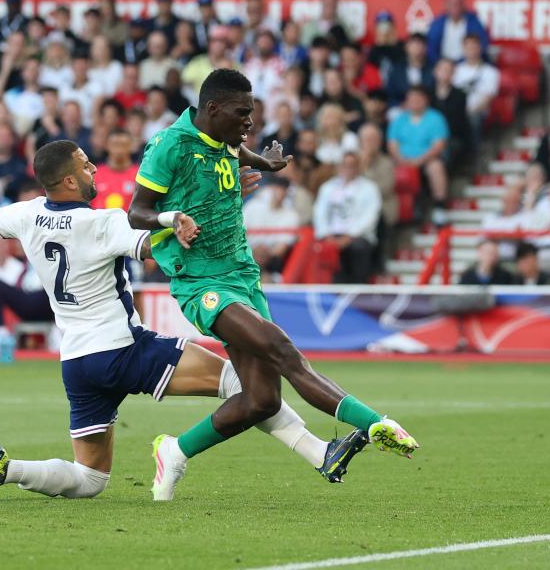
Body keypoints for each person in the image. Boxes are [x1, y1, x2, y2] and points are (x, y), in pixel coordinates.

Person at [0, 140, 361, 503]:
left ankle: (10, 469)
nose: (93, 169)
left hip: (77, 362)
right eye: (85, 165)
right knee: (244, 385)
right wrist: (218, 198)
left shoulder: (27, 214)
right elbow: (163, 242)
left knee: (89, 479)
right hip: (123, 349)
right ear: (69, 181)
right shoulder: (103, 223)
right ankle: (318, 452)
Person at [128, 69, 417, 499]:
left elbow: (235, 152)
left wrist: (265, 162)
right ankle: (375, 423)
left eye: (252, 112)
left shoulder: (223, 137)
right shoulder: (170, 145)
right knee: (282, 349)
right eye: (242, 113)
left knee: (262, 400)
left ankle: (175, 450)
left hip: (243, 277)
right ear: (213, 109)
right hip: (202, 282)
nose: (249, 122)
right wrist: (173, 219)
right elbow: (137, 213)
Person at [312, 151, 382, 284]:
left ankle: (359, 286)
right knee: (315, 248)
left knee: (358, 248)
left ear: (358, 167)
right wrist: (327, 235)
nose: (348, 169)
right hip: (330, 235)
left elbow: (370, 216)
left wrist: (349, 237)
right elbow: (319, 213)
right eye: (345, 165)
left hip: (358, 236)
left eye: (352, 166)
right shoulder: (327, 187)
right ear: (339, 167)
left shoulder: (369, 188)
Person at [387, 86, 450, 225]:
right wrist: (400, 159)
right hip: (401, 159)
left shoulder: (436, 118)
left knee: (436, 167)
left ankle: (439, 206)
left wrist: (419, 160)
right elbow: (392, 143)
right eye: (411, 98)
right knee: (385, 167)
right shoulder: (399, 119)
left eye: (418, 98)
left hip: (427, 159)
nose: (414, 101)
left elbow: (438, 145)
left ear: (426, 100)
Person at [426, 0, 489, 64]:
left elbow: (482, 43)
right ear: (446, 5)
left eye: (458, 3)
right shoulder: (437, 23)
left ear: (463, 5)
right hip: (443, 64)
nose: (455, 7)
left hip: (467, 63)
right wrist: (439, 62)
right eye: (452, 4)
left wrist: (463, 63)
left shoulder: (473, 22)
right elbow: (431, 47)